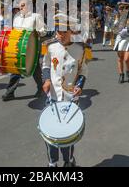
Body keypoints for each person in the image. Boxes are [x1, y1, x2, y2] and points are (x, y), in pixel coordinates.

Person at [41, 13, 88, 167]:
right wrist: (47, 79)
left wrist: (79, 86)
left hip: (70, 99)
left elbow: (82, 71)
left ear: (71, 32)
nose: (60, 35)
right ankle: (52, 163)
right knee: (50, 133)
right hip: (52, 97)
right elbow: (46, 65)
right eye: (58, 31)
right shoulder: (50, 46)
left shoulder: (80, 49)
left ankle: (69, 162)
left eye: (64, 32)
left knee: (67, 135)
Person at [2, 0, 46, 101]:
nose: (20, 8)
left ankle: (41, 88)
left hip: (33, 46)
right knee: (16, 67)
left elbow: (43, 30)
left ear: (29, 6)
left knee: (35, 69)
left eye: (23, 5)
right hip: (19, 46)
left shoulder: (36, 17)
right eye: (20, 6)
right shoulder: (16, 17)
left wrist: (38, 33)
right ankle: (10, 92)